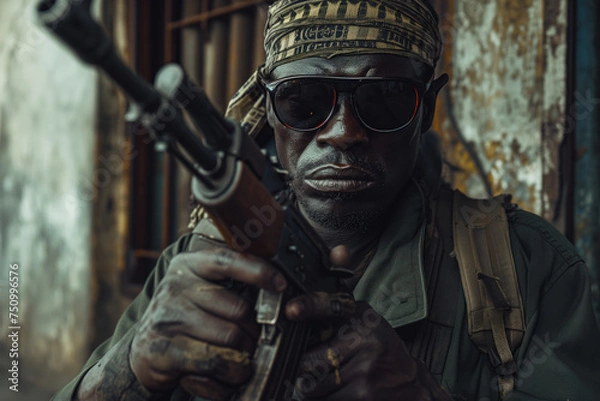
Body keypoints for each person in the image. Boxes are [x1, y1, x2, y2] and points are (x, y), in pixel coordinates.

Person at [52, 0, 600, 400]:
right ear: (268, 108)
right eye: (303, 100)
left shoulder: (526, 270)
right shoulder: (198, 264)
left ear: (427, 107)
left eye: (384, 100)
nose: (341, 132)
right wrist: (126, 369)